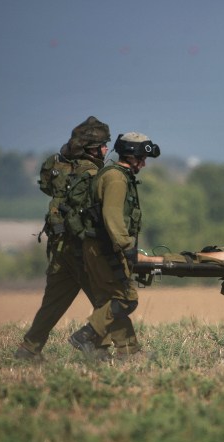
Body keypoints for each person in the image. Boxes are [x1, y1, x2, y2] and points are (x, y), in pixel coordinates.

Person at [14, 116, 110, 361]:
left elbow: (47, 188)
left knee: (53, 302)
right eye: (102, 146)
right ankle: (99, 348)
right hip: (81, 249)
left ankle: (29, 349)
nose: (106, 149)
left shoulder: (59, 166)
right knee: (109, 299)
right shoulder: (92, 173)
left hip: (59, 248)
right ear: (91, 148)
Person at [67, 132, 160, 361]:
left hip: (100, 247)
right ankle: (85, 336)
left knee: (110, 302)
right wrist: (126, 247)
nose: (144, 164)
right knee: (125, 299)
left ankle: (126, 352)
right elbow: (112, 217)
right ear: (132, 155)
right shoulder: (117, 179)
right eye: (142, 159)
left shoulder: (115, 175)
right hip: (105, 249)